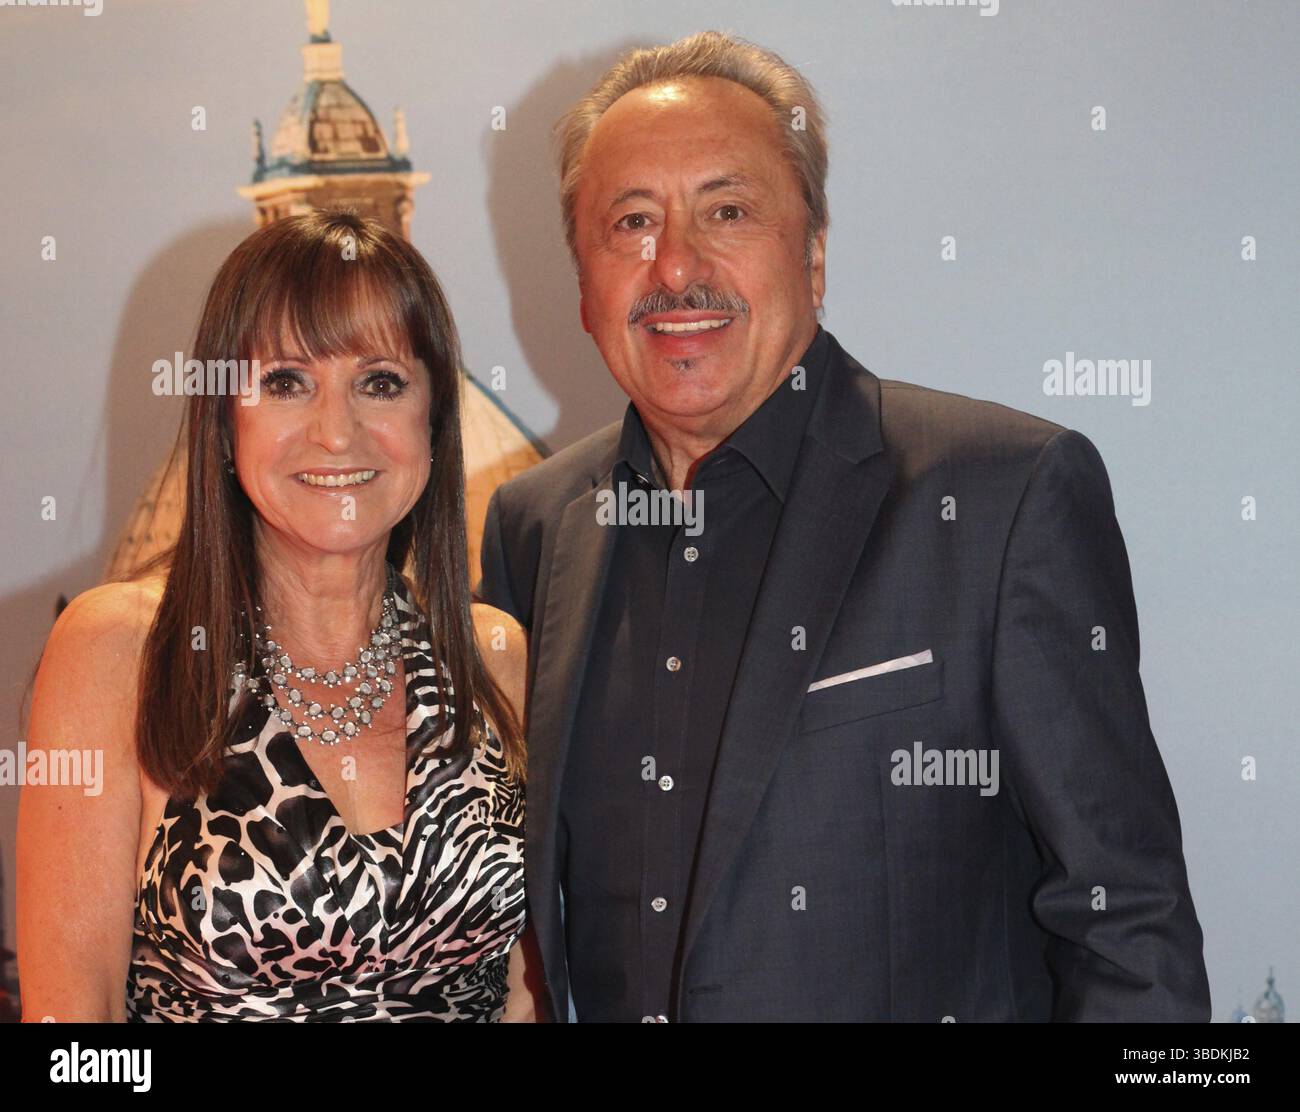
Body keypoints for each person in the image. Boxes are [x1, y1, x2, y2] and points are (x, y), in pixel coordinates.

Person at [477, 30, 1212, 1022]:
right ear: (582, 284)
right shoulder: (534, 528)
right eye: (631, 222)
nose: (675, 265)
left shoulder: (1002, 497)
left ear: (814, 254)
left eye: (727, 211)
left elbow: (1126, 923)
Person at [19, 210, 545, 1022]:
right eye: (285, 382)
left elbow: (522, 994)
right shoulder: (120, 653)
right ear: (225, 426)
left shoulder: (495, 658)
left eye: (380, 382)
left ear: (435, 424)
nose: (337, 433)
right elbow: (70, 1030)